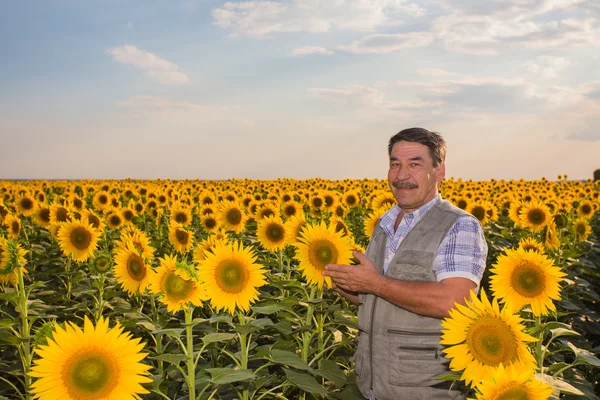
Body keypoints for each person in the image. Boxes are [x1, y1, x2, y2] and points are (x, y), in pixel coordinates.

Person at [322, 127, 488, 400]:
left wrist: (373, 283)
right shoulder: (384, 224)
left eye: (415, 164)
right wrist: (352, 286)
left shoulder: (459, 225)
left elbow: (456, 301)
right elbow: (383, 296)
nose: (401, 175)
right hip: (373, 387)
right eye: (395, 164)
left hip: (425, 389)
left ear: (440, 171)